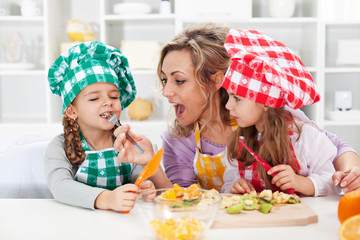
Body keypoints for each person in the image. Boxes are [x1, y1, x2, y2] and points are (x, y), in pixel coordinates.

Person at [114, 23, 360, 193]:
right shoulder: (179, 138)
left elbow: (336, 149)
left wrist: (350, 174)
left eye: (179, 80)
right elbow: (184, 198)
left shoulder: (265, 115)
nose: (166, 92)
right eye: (165, 79)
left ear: (215, 81)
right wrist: (152, 167)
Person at [44, 41, 160, 212]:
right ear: (71, 110)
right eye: (94, 98)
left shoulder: (127, 142)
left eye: (114, 96)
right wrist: (106, 198)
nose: (108, 102)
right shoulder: (59, 146)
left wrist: (143, 188)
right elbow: (60, 187)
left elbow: (136, 178)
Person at [221, 29, 338, 196]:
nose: (228, 106)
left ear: (266, 103)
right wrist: (235, 186)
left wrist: (300, 182)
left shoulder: (305, 137)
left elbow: (331, 182)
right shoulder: (238, 140)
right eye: (229, 97)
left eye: (237, 98)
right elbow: (228, 183)